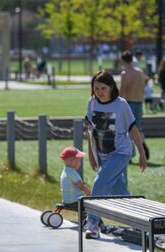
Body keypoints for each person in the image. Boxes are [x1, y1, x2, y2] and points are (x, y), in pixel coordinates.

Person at [84, 71, 147, 239]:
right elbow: (90, 131)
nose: (99, 92)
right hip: (102, 154)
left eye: (103, 88)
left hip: (121, 152)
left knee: (100, 182)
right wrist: (91, 154)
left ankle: (92, 223)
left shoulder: (121, 104)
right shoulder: (91, 103)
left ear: (111, 87)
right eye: (96, 88)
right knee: (120, 191)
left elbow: (133, 129)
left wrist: (142, 154)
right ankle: (138, 224)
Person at [120, 51, 149, 160]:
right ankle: (142, 144)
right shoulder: (140, 72)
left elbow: (122, 90)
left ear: (123, 60)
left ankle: (130, 153)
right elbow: (143, 88)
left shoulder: (125, 73)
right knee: (138, 128)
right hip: (139, 102)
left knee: (128, 129)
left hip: (129, 103)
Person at [60, 147, 91, 212]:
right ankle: (94, 221)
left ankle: (85, 218)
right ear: (73, 161)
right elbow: (81, 186)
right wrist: (89, 193)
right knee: (92, 207)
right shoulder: (72, 173)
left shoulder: (65, 171)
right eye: (79, 160)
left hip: (67, 201)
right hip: (75, 202)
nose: (80, 163)